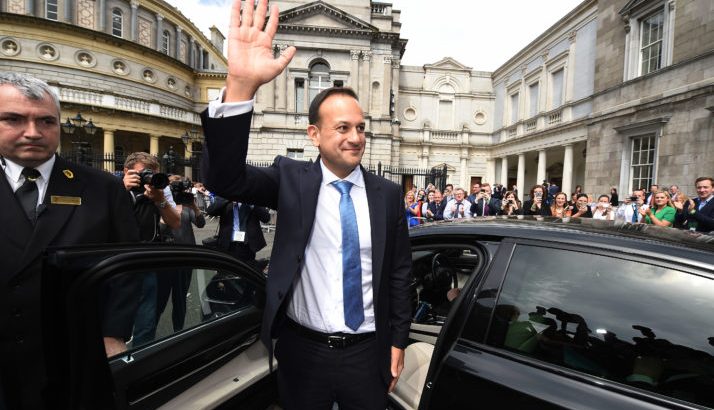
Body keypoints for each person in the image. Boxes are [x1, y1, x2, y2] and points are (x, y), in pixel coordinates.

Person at [200, 2, 411, 408]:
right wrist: (240, 87)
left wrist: (398, 341)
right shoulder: (291, 179)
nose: (356, 138)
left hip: (369, 352)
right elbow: (223, 178)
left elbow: (400, 275)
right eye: (343, 128)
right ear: (314, 134)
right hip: (303, 350)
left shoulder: (386, 194)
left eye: (361, 128)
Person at [0, 72, 140, 408]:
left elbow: (127, 267)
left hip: (74, 357)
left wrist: (113, 332)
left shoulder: (102, 187)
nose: (33, 132)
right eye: (14, 119)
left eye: (46, 121)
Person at [122, 152, 181, 346]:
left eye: (151, 173)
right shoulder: (113, 188)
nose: (148, 178)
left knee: (146, 325)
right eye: (142, 173)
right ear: (126, 171)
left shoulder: (157, 191)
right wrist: (121, 190)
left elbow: (175, 222)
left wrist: (159, 200)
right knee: (113, 324)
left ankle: (142, 359)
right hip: (117, 263)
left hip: (146, 261)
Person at [155, 178, 206, 333]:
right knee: (159, 300)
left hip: (186, 256)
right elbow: (160, 229)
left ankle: (179, 332)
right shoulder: (160, 205)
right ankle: (150, 332)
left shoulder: (186, 205)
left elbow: (201, 223)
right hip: (166, 258)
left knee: (180, 299)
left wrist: (194, 206)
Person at [206, 196, 270, 268]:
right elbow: (210, 211)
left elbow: (266, 218)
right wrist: (228, 198)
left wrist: (252, 204)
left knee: (246, 271)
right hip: (227, 244)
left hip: (247, 245)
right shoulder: (224, 195)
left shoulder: (253, 197)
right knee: (227, 270)